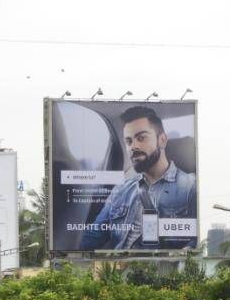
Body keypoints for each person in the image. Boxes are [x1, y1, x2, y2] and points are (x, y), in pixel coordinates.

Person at [81, 106, 197, 250]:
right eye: (129, 141)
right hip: (116, 269)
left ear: (162, 140)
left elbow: (195, 242)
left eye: (141, 138)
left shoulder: (191, 187)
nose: (133, 147)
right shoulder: (120, 190)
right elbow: (92, 236)